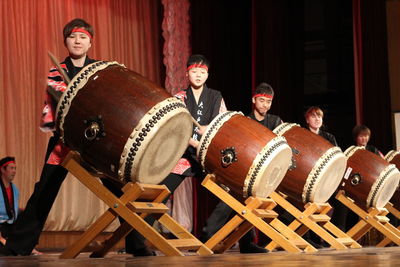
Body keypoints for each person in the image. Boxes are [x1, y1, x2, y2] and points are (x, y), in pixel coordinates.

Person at [0, 18, 97, 256]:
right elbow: (57, 106)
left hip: (95, 142)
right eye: (73, 37)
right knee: (44, 190)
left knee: (120, 190)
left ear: (90, 42)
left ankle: (137, 243)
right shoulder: (57, 71)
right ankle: (17, 246)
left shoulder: (99, 71)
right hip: (64, 141)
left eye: (83, 37)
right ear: (66, 41)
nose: (77, 41)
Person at [122, 54, 228, 256]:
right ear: (187, 73)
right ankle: (136, 241)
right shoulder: (180, 97)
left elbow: (222, 125)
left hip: (207, 157)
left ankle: (207, 236)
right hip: (184, 155)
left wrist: (207, 135)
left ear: (208, 74)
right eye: (194, 71)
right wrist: (193, 140)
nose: (198, 75)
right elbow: (177, 126)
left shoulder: (216, 97)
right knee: (159, 194)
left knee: (231, 192)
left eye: (202, 72)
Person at [199, 83, 284, 254]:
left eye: (268, 102)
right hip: (244, 170)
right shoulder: (244, 122)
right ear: (254, 100)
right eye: (261, 101)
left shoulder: (275, 122)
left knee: (251, 203)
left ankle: (247, 243)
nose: (265, 105)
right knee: (230, 198)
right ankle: (208, 234)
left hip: (264, 174)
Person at [0, 157, 42, 256]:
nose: (14, 171)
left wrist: (25, 211)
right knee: (6, 251)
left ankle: (28, 247)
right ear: (2, 169)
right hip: (1, 226)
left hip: (11, 225)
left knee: (33, 219)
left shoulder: (14, 189)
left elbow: (10, 209)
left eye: (15, 168)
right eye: (11, 168)